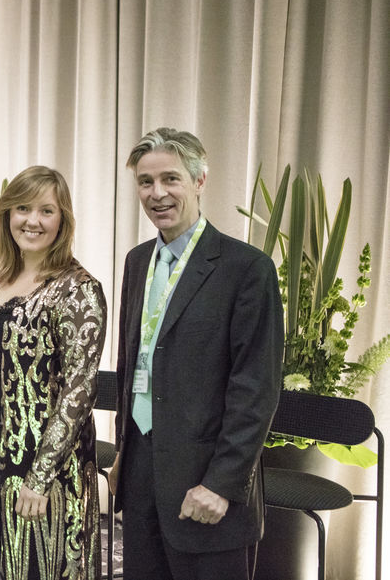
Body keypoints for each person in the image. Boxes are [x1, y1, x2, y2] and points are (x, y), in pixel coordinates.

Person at [108, 128, 283, 580]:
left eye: (171, 179)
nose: (157, 193)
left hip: (206, 485)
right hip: (142, 475)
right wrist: (123, 463)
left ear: (200, 181)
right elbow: (133, 367)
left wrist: (222, 484)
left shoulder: (246, 269)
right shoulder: (137, 261)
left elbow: (256, 388)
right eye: (145, 182)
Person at [0, 166, 108, 580]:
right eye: (23, 208)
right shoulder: (1, 280)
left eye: (47, 210)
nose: (32, 220)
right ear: (7, 215)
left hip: (42, 473)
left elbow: (79, 391)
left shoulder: (77, 288)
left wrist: (40, 476)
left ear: (62, 220)